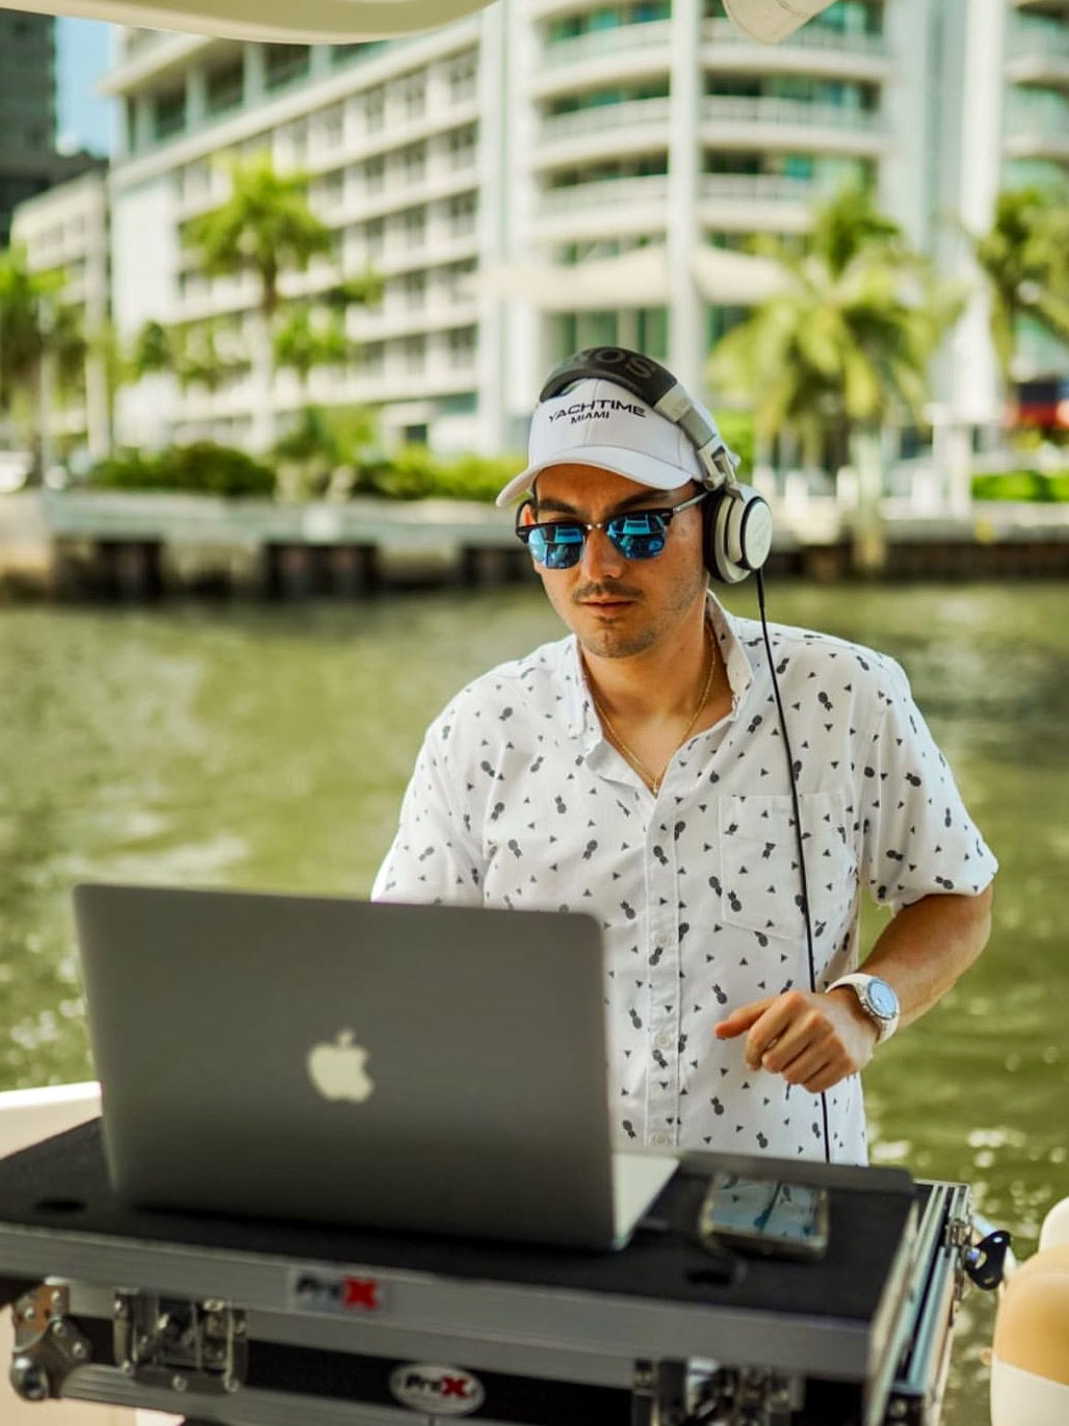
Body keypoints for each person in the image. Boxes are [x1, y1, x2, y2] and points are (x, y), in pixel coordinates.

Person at [373, 348, 995, 1164]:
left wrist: (864, 1005)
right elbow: (392, 973)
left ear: (724, 525)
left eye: (638, 525)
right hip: (546, 1198)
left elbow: (956, 896)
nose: (597, 567)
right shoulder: (479, 732)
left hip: (782, 1203)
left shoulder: (847, 697)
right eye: (559, 534)